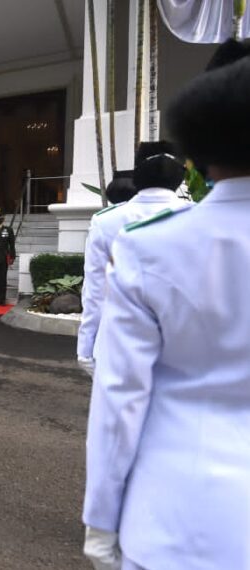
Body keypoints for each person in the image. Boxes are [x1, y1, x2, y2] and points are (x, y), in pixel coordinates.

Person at [82, 39, 250, 570]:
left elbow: (121, 399)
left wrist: (101, 521)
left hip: (178, 517)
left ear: (196, 155)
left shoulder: (151, 245)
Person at [76, 149, 190, 377]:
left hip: (121, 340)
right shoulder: (200, 216)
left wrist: (86, 346)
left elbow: (95, 290)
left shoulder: (106, 221)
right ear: (179, 181)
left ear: (137, 180)